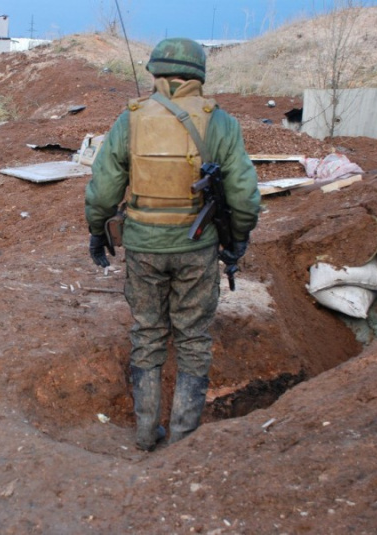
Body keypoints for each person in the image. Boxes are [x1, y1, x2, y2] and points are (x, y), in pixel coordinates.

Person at [84, 38, 260, 451]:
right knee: (194, 338)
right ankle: (182, 439)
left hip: (143, 246)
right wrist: (237, 240)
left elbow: (103, 187)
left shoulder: (129, 119)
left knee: (147, 334)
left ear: (155, 72)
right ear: (199, 73)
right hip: (198, 248)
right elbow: (244, 196)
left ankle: (146, 433)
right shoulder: (220, 122)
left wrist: (97, 230)